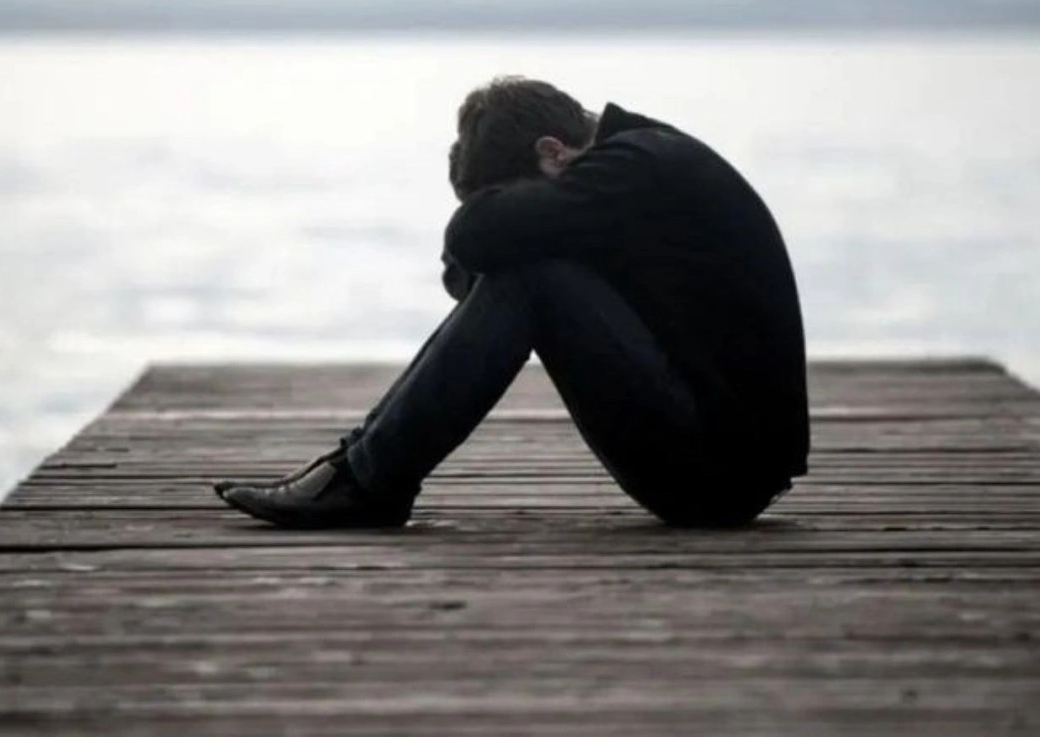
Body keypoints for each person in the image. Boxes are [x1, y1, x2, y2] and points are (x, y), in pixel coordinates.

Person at [216, 76, 809, 530]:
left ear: (553, 153)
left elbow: (475, 238)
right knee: (527, 271)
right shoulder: (634, 169)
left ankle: (365, 480)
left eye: (511, 197)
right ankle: (362, 470)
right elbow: (475, 265)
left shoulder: (639, 165)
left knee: (531, 276)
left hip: (719, 477)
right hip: (714, 469)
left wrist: (495, 232)